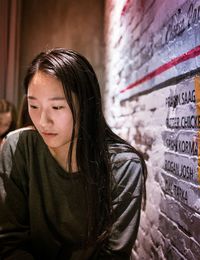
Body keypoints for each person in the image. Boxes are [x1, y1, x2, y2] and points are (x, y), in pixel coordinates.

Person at [0, 48, 147, 260]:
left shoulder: (123, 165)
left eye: (57, 107)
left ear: (85, 105)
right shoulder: (18, 146)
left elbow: (114, 254)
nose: (42, 122)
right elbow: (9, 241)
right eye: (34, 106)